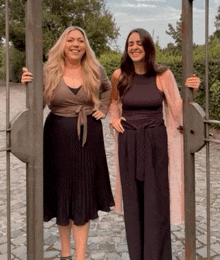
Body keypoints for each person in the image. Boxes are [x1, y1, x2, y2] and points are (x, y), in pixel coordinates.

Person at [21, 26, 114, 260]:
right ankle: (65, 254)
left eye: (80, 41)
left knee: (82, 194)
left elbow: (108, 88)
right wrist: (28, 87)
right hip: (57, 138)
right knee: (62, 194)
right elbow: (36, 106)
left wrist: (103, 109)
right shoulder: (49, 70)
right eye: (70, 40)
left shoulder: (94, 68)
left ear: (85, 45)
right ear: (62, 44)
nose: (75, 44)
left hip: (88, 139)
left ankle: (80, 257)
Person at [110, 28, 200, 260]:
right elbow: (113, 103)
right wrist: (113, 117)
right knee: (133, 205)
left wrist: (191, 91)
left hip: (155, 144)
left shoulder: (163, 75)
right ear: (126, 48)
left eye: (140, 43)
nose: (134, 47)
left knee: (156, 203)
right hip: (128, 144)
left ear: (148, 47)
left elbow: (178, 109)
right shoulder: (118, 75)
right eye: (130, 43)